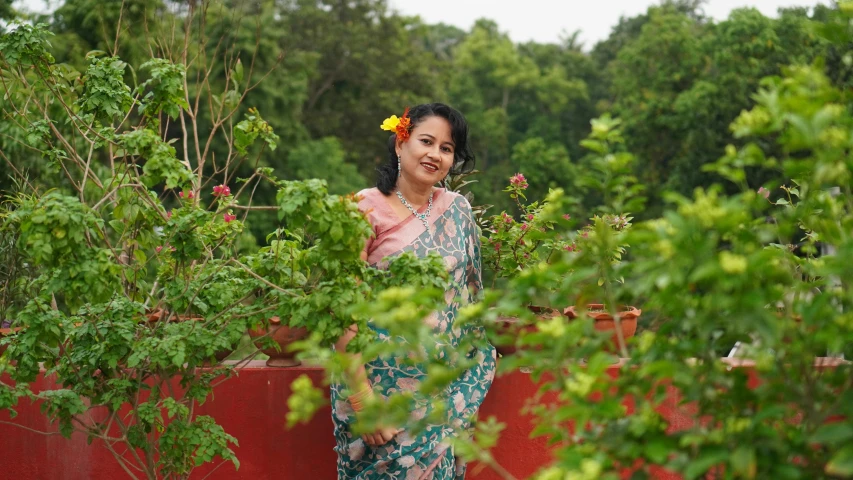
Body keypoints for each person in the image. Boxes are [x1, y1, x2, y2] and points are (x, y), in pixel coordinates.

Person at [331, 103, 496, 479]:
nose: (435, 154)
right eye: (426, 141)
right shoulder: (362, 210)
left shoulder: (458, 210)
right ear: (400, 143)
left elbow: (470, 298)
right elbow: (341, 310)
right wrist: (363, 400)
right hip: (380, 400)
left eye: (447, 148)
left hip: (442, 399)